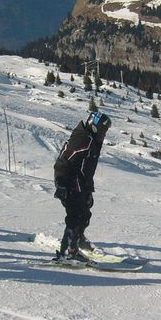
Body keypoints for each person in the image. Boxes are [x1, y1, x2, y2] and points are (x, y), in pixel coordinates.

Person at [52, 110, 111, 261]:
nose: (104, 135)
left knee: (84, 214)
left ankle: (77, 240)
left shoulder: (91, 140)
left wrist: (88, 189)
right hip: (70, 185)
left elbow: (86, 167)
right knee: (75, 216)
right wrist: (61, 185)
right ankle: (68, 252)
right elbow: (63, 161)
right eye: (103, 131)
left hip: (80, 185)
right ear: (95, 127)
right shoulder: (83, 140)